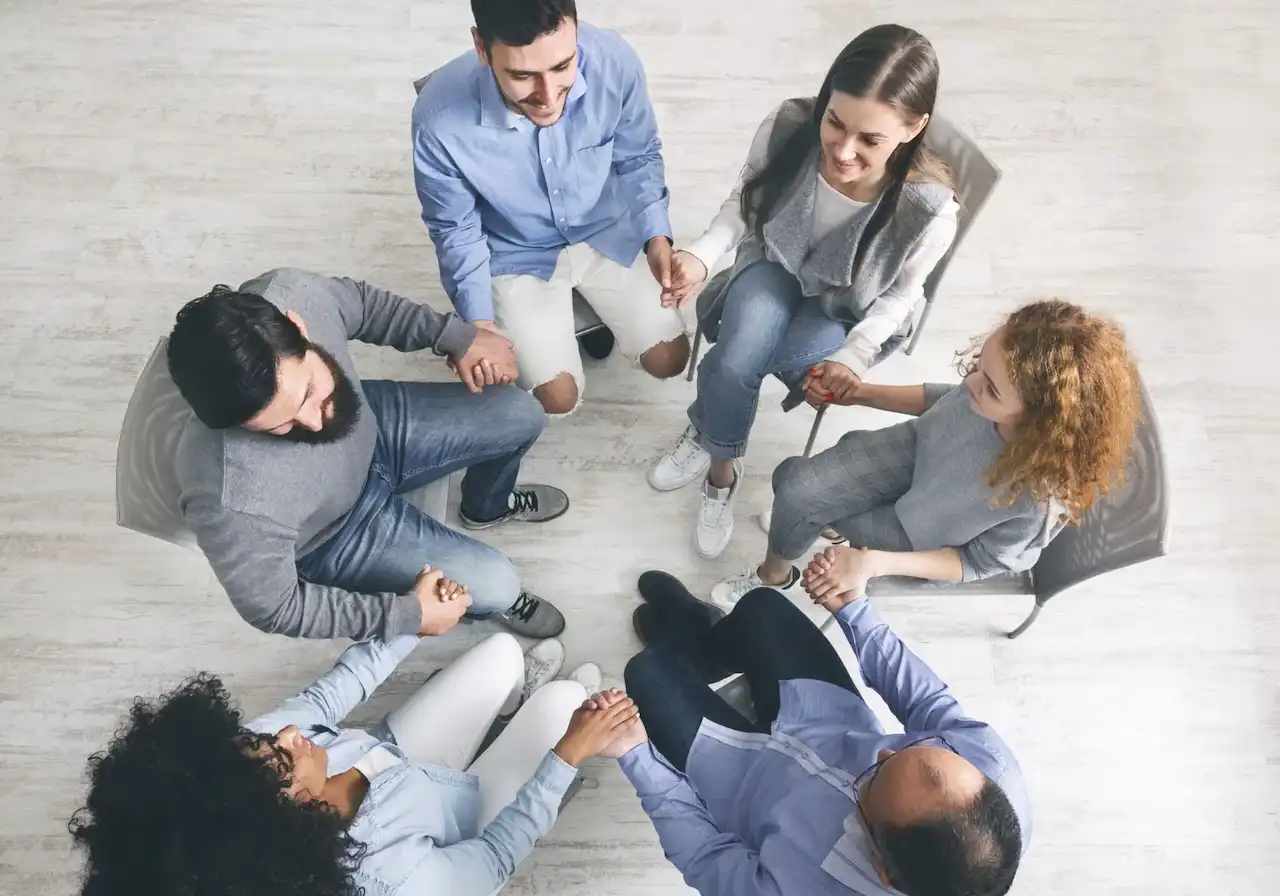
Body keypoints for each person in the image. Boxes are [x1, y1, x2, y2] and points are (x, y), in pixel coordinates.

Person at [68, 574, 636, 896]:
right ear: (296, 819)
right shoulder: (391, 879)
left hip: (400, 758)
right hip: (468, 823)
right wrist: (567, 756)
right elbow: (494, 856)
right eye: (281, 758)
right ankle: (545, 723)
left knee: (503, 652)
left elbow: (325, 696)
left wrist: (410, 621)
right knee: (566, 707)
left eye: (262, 741)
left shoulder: (239, 766)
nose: (287, 733)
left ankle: (523, 703)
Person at [648, 24, 959, 559]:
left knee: (738, 361)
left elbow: (899, 299)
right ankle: (723, 472)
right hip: (774, 263)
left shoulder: (929, 211)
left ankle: (707, 429)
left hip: (843, 309)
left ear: (913, 128)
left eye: (871, 139)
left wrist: (853, 356)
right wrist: (701, 255)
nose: (842, 150)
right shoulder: (791, 125)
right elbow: (745, 202)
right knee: (734, 363)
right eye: (835, 122)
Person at [165, 266, 568, 640]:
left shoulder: (293, 292)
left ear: (297, 325)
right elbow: (275, 608)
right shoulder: (228, 500)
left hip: (376, 428)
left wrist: (455, 338)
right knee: (498, 584)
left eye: (308, 393)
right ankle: (501, 603)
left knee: (521, 413)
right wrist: (408, 616)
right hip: (337, 534)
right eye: (279, 426)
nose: (314, 423)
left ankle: (487, 507)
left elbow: (362, 304)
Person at [609, 571, 1029, 896]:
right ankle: (697, 638)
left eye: (873, 778)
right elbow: (929, 704)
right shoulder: (991, 766)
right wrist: (857, 612)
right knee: (761, 607)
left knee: (645, 672)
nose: (882, 753)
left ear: (883, 868)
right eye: (910, 748)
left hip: (735, 782)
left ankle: (684, 645)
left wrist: (635, 756)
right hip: (826, 714)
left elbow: (703, 856)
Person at [710, 299, 1142, 608]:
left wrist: (874, 563)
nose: (970, 383)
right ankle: (804, 541)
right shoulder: (984, 393)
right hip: (921, 452)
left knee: (794, 490)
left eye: (989, 387)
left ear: (1042, 421)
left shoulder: (1035, 502)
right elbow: (941, 399)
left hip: (924, 534)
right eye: (978, 366)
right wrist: (859, 393)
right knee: (796, 485)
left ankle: (775, 576)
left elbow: (974, 564)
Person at [411, 0, 691, 416]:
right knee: (558, 400)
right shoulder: (437, 120)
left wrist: (656, 235)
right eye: (523, 75)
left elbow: (639, 156)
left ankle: (586, 309)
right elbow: (456, 231)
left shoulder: (614, 60)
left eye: (563, 66)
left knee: (670, 360)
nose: (548, 98)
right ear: (481, 47)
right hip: (515, 250)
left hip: (606, 229)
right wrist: (480, 325)